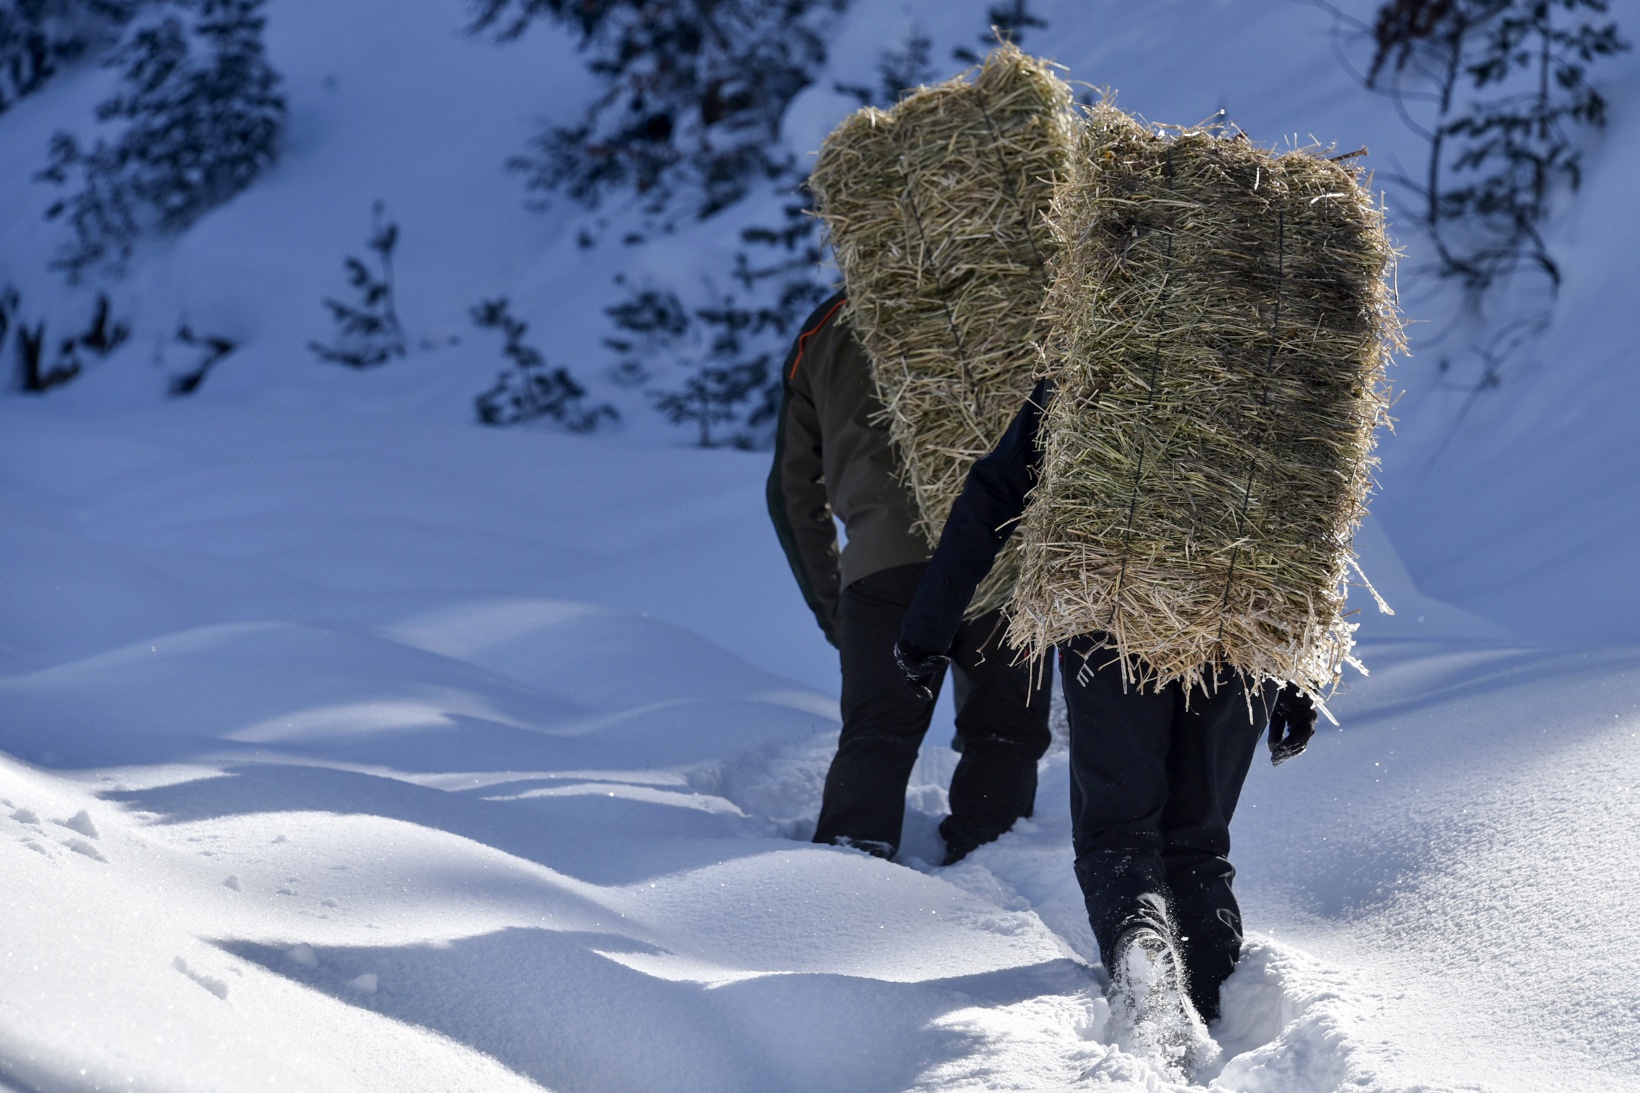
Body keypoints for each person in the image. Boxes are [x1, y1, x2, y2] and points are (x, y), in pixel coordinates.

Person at [893, 378, 1318, 1042]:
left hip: (1111, 606)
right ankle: (1220, 1024)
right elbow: (1313, 512)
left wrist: (927, 626)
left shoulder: (1100, 343)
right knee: (1198, 843)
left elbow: (998, 488)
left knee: (1120, 833)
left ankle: (1142, 954)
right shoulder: (1284, 361)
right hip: (1248, 616)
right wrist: (1299, 672)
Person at [767, 292, 1054, 866]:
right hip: (1001, 558)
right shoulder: (1015, 291)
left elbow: (792, 493)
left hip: (885, 566)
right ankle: (990, 862)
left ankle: (846, 870)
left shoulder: (824, 330)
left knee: (878, 733)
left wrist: (837, 610)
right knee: (1005, 733)